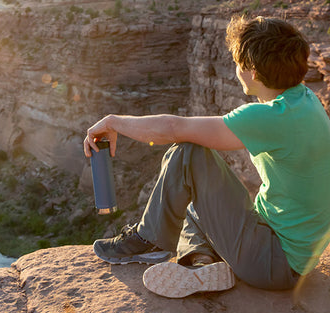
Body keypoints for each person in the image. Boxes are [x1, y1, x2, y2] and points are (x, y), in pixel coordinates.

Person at [83, 16, 330, 298]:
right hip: (288, 252)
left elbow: (175, 128)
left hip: (276, 264)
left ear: (251, 69)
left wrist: (114, 122)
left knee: (189, 152)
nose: (236, 69)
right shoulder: (306, 100)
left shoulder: (270, 117)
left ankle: (149, 240)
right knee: (195, 204)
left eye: (238, 62)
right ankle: (203, 265)